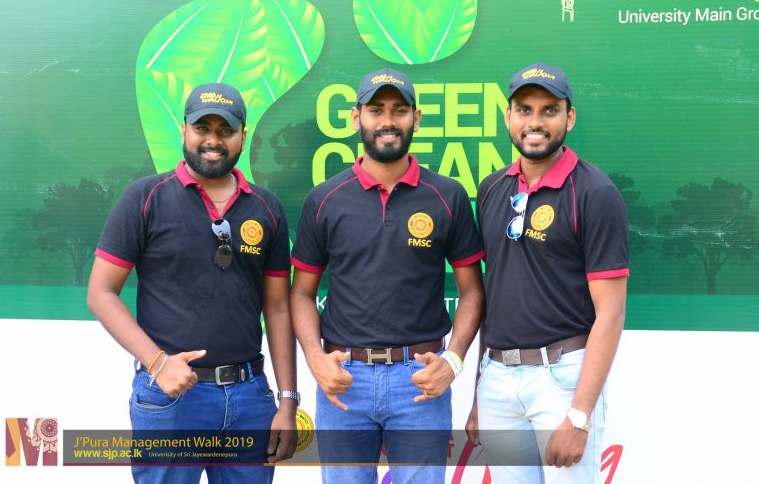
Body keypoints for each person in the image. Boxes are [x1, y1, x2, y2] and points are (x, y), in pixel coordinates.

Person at [87, 82, 298, 483]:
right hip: (171, 397)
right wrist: (158, 362)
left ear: (243, 136)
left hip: (250, 397)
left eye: (225, 130)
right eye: (202, 128)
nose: (213, 141)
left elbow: (277, 309)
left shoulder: (266, 208)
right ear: (184, 130)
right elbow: (101, 293)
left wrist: (287, 401)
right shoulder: (145, 198)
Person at [290, 68, 485, 483]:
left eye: (399, 110)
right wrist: (314, 359)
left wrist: (453, 360)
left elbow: (472, 291)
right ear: (356, 117)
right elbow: (301, 293)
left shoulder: (447, 195)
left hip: (420, 380)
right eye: (376, 110)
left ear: (417, 118)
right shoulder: (324, 199)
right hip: (344, 379)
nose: (388, 121)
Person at [467, 63, 629, 484]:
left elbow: (611, 314)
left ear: (569, 117)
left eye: (549, 110)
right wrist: (479, 394)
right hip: (498, 379)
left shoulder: (595, 192)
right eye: (524, 110)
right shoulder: (491, 189)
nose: (535, 122)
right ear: (508, 117)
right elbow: (493, 296)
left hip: (562, 380)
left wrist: (580, 415)